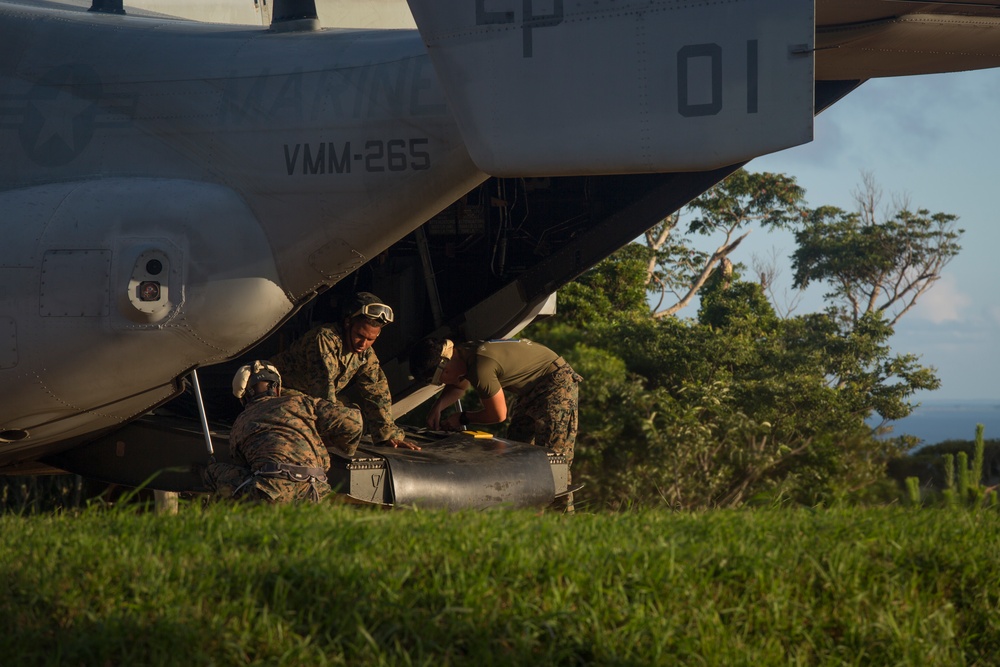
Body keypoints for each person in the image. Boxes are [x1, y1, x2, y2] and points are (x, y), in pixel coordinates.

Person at [410, 337, 582, 509]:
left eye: (440, 380)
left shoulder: (480, 367)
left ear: (444, 369)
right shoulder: (464, 353)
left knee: (553, 460)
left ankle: (562, 517)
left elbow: (498, 415)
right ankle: (527, 514)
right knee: (519, 453)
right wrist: (438, 407)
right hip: (532, 389)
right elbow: (459, 386)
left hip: (556, 383)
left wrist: (463, 418)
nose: (443, 383)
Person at [271, 292, 419, 450]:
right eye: (360, 336)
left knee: (349, 412)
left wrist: (388, 436)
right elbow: (323, 391)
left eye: (371, 339)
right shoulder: (324, 339)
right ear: (348, 323)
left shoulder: (366, 354)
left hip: (309, 398)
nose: (363, 344)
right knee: (350, 421)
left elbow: (376, 392)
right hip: (279, 392)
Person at [204, 360, 364, 503]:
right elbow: (354, 421)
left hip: (272, 493)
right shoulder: (302, 403)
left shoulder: (241, 422)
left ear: (244, 396)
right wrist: (335, 445)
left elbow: (240, 463)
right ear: (278, 388)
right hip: (315, 491)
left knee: (212, 472)